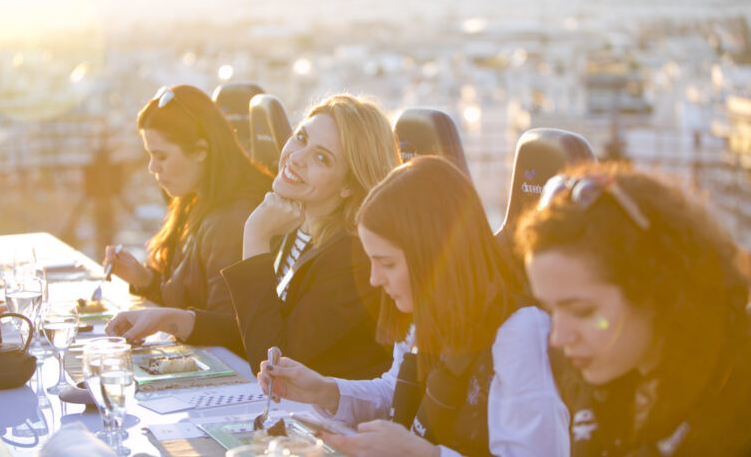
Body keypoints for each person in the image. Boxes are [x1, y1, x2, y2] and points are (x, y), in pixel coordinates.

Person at [258, 156, 569, 456]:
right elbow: (396, 393)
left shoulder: (520, 332)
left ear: (434, 257)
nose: (375, 279)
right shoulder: (429, 309)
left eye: (388, 264)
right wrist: (324, 390)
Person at [107, 94, 400, 378]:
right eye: (300, 138)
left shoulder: (353, 256)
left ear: (349, 184)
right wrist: (173, 320)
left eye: (322, 158)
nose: (296, 157)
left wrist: (255, 235)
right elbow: (259, 327)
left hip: (328, 420)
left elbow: (273, 358)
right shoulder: (299, 225)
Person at [515, 161, 751, 456]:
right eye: (550, 310)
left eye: (583, 311)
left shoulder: (735, 415)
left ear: (653, 292)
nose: (558, 338)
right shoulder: (609, 378)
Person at [103, 85, 271, 313]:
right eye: (150, 155)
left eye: (161, 156)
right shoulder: (196, 198)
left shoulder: (232, 219)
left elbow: (227, 326)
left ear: (201, 150)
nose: (152, 167)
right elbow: (186, 300)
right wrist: (143, 279)